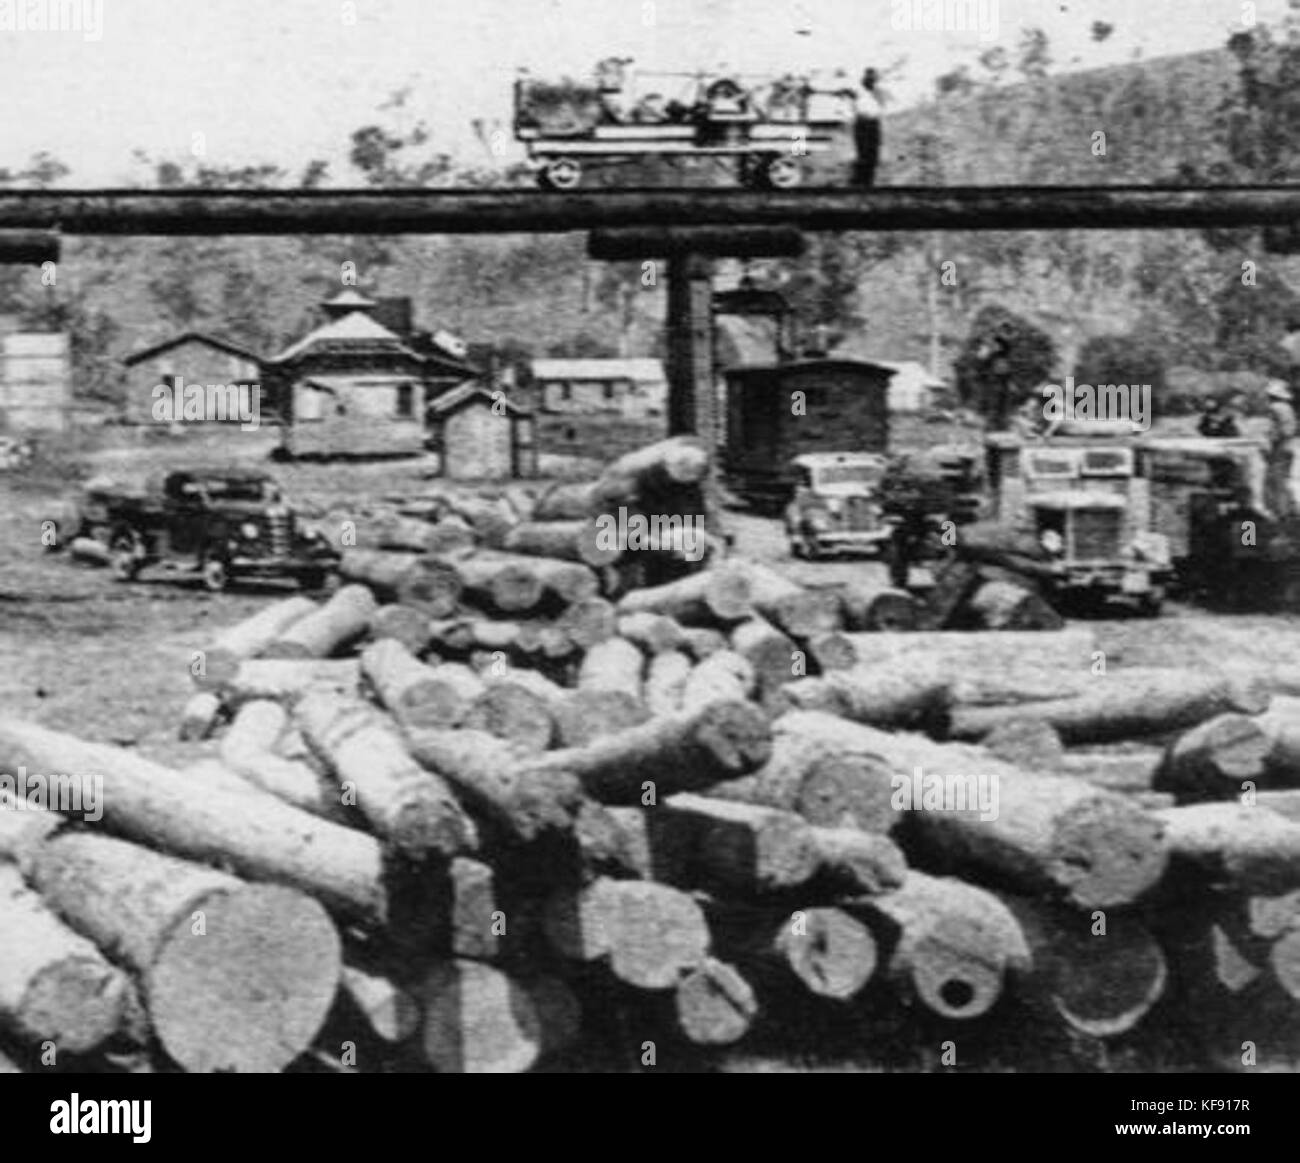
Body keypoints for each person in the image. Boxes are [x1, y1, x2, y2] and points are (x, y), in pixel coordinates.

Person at [1266, 379, 1298, 520]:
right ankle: (1291, 509)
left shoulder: (1276, 407)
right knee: (1282, 481)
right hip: (1288, 447)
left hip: (1281, 448)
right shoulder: (1287, 407)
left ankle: (1282, 513)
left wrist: (1272, 439)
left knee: (1276, 481)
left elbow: (1281, 431)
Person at [851, 68, 883, 188]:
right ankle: (860, 181)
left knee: (873, 153)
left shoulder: (878, 91)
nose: (871, 81)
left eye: (873, 79)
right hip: (862, 122)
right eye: (869, 78)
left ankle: (868, 182)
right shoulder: (857, 91)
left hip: (874, 123)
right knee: (863, 152)